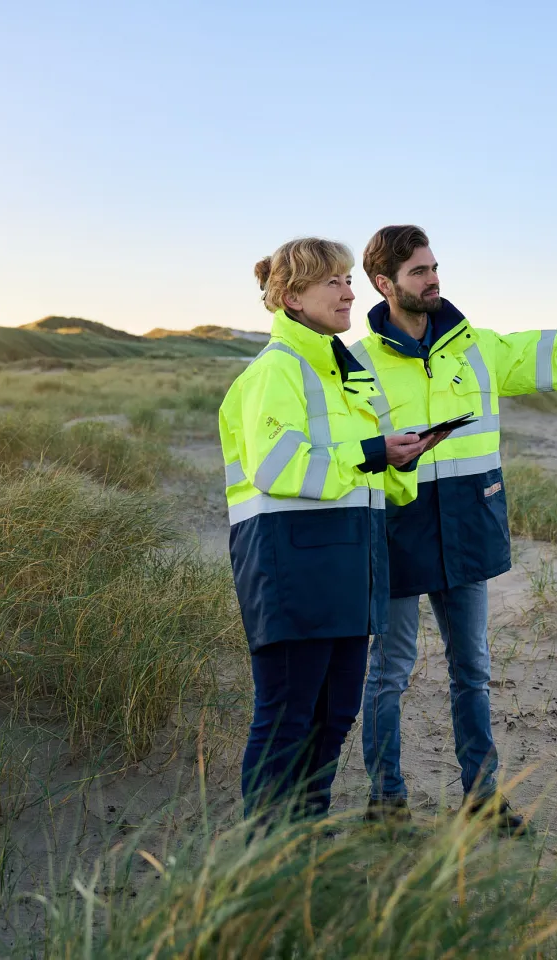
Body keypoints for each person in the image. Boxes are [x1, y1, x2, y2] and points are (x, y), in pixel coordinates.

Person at [352, 224, 557, 833]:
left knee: (471, 667)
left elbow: (551, 354)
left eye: (434, 266)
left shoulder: (477, 347)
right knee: (389, 671)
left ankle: (482, 800)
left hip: (468, 526)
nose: (433, 279)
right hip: (394, 531)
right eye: (418, 271)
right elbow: (344, 443)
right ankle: (386, 803)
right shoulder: (359, 363)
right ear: (384, 283)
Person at [219, 237, 447, 820]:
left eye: (349, 280)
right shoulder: (276, 370)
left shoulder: (346, 372)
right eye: (335, 283)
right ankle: (268, 859)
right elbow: (277, 467)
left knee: (336, 714)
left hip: (350, 566)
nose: (350, 293)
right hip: (290, 566)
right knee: (287, 718)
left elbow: (366, 478)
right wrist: (372, 452)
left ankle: (308, 841)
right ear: (293, 297)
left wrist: (403, 458)